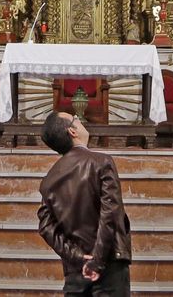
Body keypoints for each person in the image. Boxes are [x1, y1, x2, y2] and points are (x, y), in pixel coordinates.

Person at [38, 111, 132, 296]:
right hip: (108, 267)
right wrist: (97, 261)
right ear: (72, 131)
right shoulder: (101, 162)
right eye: (76, 119)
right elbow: (110, 215)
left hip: (76, 270)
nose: (79, 119)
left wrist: (78, 256)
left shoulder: (48, 181)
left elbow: (46, 228)